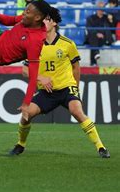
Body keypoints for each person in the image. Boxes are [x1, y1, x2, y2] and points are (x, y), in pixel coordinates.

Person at [9, 11, 110, 159]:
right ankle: (20, 144)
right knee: (26, 114)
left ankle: (101, 147)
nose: (43, 23)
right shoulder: (34, 44)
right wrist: (40, 78)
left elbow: (76, 67)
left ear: (54, 23)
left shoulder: (68, 44)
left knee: (77, 112)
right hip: (47, 91)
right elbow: (25, 70)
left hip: (66, 88)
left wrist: (75, 87)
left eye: (47, 20)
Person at [86, 1, 113, 66]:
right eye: (100, 8)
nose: (101, 10)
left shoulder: (106, 18)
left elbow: (112, 29)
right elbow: (89, 29)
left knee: (93, 40)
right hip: (93, 37)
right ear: (97, 9)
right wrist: (97, 34)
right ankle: (96, 53)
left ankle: (93, 61)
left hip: (104, 38)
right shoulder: (91, 18)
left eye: (103, 8)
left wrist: (111, 20)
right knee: (93, 36)